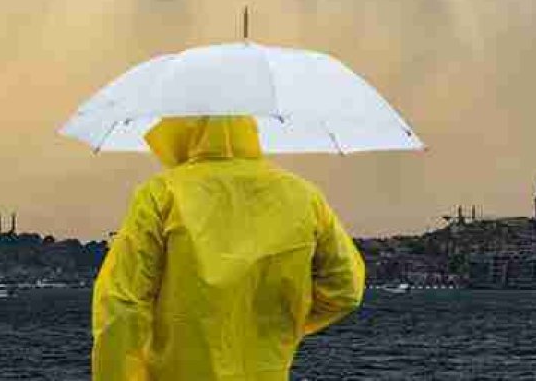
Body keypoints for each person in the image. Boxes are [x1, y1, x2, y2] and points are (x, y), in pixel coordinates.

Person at [91, 116, 365, 380]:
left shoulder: (161, 193)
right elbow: (346, 290)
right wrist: (283, 326)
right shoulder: (305, 196)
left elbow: (122, 303)